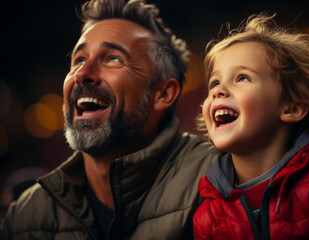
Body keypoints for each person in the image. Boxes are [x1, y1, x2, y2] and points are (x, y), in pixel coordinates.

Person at [0, 0, 219, 239]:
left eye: (113, 58)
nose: (82, 74)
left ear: (162, 94)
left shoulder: (219, 177)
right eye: (79, 60)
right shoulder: (26, 216)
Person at [193, 13, 309, 239]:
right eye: (215, 82)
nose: (217, 91)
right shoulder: (207, 213)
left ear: (291, 108)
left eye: (242, 78)